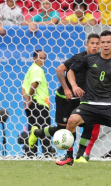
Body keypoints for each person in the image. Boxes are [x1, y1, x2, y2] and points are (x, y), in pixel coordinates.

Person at [61, 30, 111, 162]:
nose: (105, 45)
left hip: (108, 106)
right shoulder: (89, 59)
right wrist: (74, 86)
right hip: (88, 104)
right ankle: (69, 156)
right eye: (103, 42)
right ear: (100, 44)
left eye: (108, 42)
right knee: (71, 121)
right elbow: (71, 71)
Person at [28, 33, 100, 165]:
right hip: (65, 99)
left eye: (97, 43)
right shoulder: (79, 57)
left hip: (82, 99)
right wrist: (67, 89)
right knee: (64, 130)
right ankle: (38, 133)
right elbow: (60, 69)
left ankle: (79, 156)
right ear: (87, 45)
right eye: (92, 43)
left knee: (89, 125)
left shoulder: (100, 60)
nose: (95, 46)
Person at [21, 50, 56, 157]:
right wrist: (31, 98)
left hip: (32, 105)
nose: (43, 60)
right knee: (44, 128)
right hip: (39, 104)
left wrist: (28, 100)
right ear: (34, 58)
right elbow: (34, 84)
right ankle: (47, 152)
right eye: (41, 58)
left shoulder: (30, 69)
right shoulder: (37, 70)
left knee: (33, 128)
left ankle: (31, 153)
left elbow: (23, 89)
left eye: (45, 58)